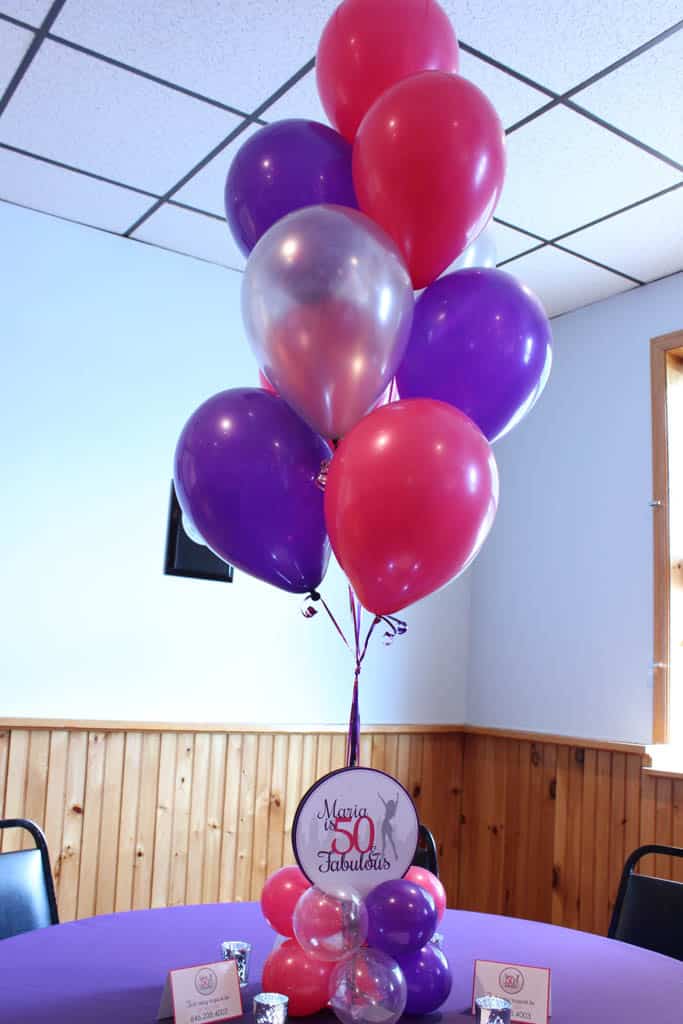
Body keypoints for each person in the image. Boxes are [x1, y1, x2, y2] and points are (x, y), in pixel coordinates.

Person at [378, 791, 398, 860]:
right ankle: (383, 854)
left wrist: (397, 797)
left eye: (390, 804)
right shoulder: (390, 809)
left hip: (386, 824)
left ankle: (394, 854)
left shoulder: (391, 809)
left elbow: (396, 803)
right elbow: (384, 802)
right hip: (385, 824)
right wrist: (380, 796)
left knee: (389, 840)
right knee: (386, 841)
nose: (389, 805)